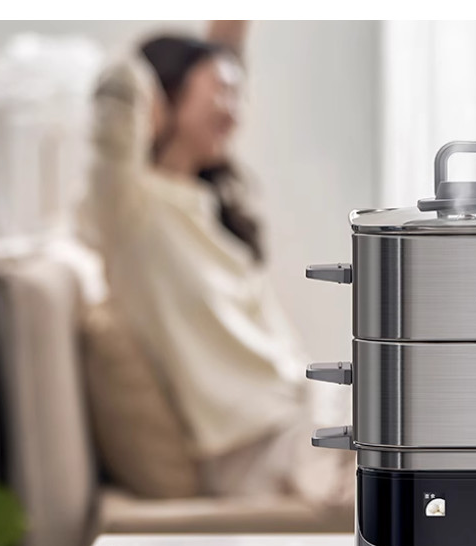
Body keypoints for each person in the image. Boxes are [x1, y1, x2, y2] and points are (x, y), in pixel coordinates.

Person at [80, 22, 353, 507]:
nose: (233, 110)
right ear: (160, 98)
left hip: (297, 415)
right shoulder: (131, 210)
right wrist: (149, 88)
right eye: (220, 91)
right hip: (251, 449)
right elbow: (114, 93)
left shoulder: (208, 208)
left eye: (237, 94)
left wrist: (223, 54)